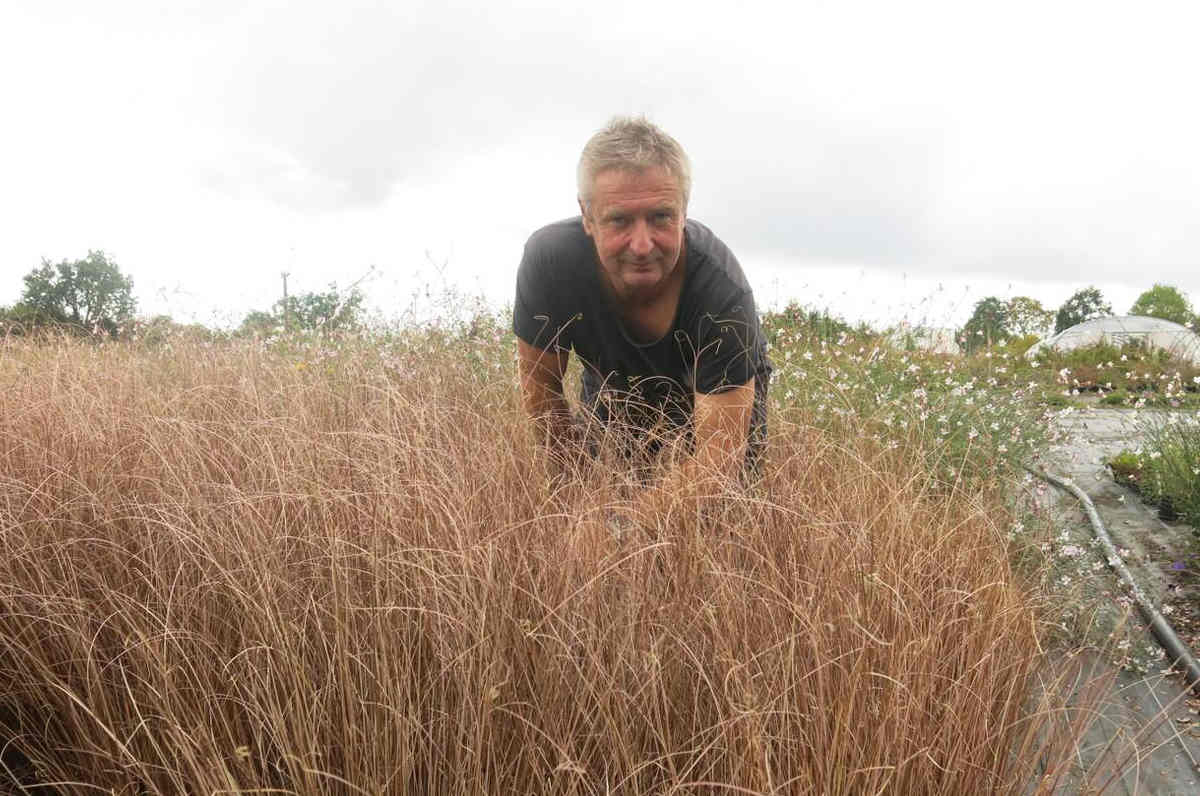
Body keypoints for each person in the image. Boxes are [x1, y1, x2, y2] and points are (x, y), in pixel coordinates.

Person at [513, 116, 771, 493]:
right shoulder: (551, 264)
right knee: (607, 500)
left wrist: (624, 530)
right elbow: (540, 385)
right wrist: (579, 501)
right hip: (614, 395)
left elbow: (720, 455)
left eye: (661, 217)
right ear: (587, 216)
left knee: (721, 525)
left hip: (715, 413)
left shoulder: (722, 292)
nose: (642, 245)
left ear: (684, 211)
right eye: (619, 220)